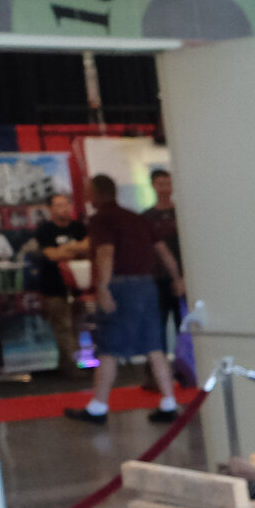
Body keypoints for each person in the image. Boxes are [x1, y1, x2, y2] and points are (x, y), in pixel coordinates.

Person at [64, 175, 183, 426]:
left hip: (121, 286)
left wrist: (103, 287)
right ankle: (169, 402)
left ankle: (98, 407)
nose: (86, 197)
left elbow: (106, 252)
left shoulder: (101, 220)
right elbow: (162, 251)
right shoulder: (137, 218)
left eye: (88, 192)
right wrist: (177, 278)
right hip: (147, 285)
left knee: (109, 347)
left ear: (97, 194)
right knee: (155, 346)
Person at [24, 189, 93, 373]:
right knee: (63, 325)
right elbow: (51, 254)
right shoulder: (45, 230)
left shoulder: (78, 227)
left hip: (77, 285)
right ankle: (70, 365)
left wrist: (68, 248)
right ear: (51, 209)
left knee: (76, 325)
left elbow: (87, 246)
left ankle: (69, 363)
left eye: (66, 205)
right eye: (59, 206)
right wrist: (73, 249)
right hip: (53, 286)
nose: (64, 209)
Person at [146, 167, 186, 362]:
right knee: (158, 325)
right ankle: (158, 370)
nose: (165, 188)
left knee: (184, 325)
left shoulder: (183, 213)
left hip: (184, 280)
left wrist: (183, 277)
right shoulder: (146, 217)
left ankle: (187, 367)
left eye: (168, 183)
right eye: (161, 184)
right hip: (157, 280)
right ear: (153, 186)